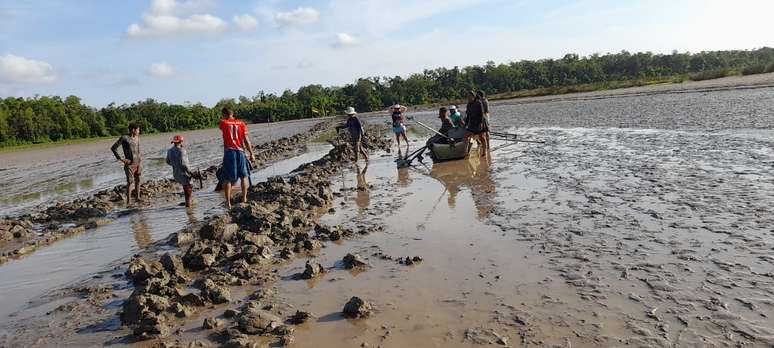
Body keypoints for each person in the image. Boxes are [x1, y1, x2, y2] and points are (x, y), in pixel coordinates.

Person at [219, 107, 255, 209]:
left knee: (227, 178)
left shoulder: (223, 123)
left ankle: (228, 203)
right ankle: (244, 199)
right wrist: (251, 153)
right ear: (233, 113)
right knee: (244, 176)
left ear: (224, 114)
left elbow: (222, 127)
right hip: (240, 151)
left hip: (229, 152)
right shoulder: (242, 123)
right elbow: (246, 140)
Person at [111, 123, 142, 204]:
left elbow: (138, 149)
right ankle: (128, 202)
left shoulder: (137, 137)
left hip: (138, 162)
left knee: (138, 180)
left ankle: (137, 198)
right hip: (130, 164)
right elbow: (113, 148)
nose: (139, 131)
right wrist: (121, 159)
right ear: (133, 130)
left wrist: (140, 158)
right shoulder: (124, 138)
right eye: (138, 130)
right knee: (130, 182)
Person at [166, 135, 195, 207]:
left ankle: (188, 205)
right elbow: (184, 165)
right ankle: (189, 209)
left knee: (186, 188)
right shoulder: (182, 151)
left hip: (176, 174)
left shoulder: (169, 151)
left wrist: (175, 165)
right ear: (181, 142)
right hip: (184, 174)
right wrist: (191, 173)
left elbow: (167, 161)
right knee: (189, 189)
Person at [464, 91, 488, 157]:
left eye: (469, 97)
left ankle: (484, 152)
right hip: (472, 123)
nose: (468, 98)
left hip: (479, 122)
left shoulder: (478, 103)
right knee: (466, 135)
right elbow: (468, 115)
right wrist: (465, 124)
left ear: (473, 97)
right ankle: (466, 151)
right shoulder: (468, 105)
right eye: (467, 97)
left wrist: (480, 123)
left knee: (482, 137)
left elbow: (481, 114)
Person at [477, 90, 491, 155]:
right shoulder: (483, 100)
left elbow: (485, 110)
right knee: (485, 131)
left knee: (486, 131)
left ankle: (487, 145)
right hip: (486, 115)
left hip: (485, 116)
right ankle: (487, 145)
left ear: (480, 95)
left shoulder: (483, 101)